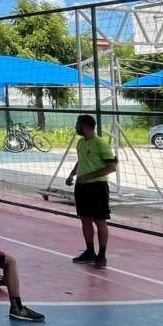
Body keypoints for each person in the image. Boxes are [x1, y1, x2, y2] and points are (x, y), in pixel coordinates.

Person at [67, 114, 118, 268]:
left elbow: (111, 167)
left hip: (97, 187)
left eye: (77, 124)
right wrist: (72, 174)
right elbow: (81, 160)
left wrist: (88, 177)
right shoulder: (81, 143)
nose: (76, 127)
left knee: (99, 220)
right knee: (85, 219)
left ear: (84, 126)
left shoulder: (100, 144)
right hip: (82, 187)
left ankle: (102, 255)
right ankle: (90, 251)